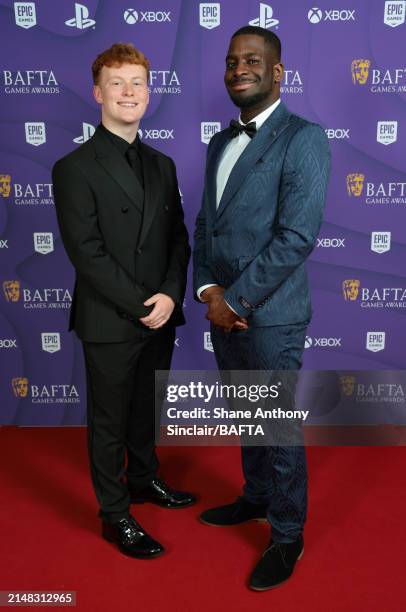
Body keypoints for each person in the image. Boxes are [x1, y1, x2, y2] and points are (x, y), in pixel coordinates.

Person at [193, 26, 330, 589]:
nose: (238, 69)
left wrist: (237, 299)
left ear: (278, 73)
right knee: (248, 415)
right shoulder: (219, 144)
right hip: (223, 309)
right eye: (231, 61)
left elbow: (296, 236)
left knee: (275, 426)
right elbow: (206, 226)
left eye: (252, 60)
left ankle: (287, 533)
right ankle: (254, 498)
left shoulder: (304, 138)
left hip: (270, 314)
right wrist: (207, 291)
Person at [52, 43, 194, 560]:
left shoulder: (164, 164)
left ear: (149, 93)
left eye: (137, 82)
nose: (129, 92)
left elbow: (178, 238)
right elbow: (86, 253)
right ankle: (115, 514)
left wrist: (171, 295)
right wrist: (142, 302)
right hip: (111, 317)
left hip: (161, 313)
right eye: (118, 83)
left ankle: (145, 481)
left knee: (143, 411)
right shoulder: (73, 167)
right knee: (110, 421)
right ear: (98, 93)